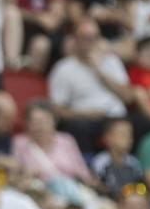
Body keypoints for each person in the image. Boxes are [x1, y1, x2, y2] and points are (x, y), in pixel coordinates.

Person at [48, 17, 132, 152]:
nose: (92, 42)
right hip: (85, 118)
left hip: (116, 117)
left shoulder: (112, 61)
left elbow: (128, 97)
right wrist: (83, 114)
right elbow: (57, 109)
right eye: (86, 38)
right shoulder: (63, 68)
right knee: (78, 128)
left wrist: (100, 71)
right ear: (76, 40)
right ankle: (86, 168)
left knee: (143, 124)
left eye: (95, 38)